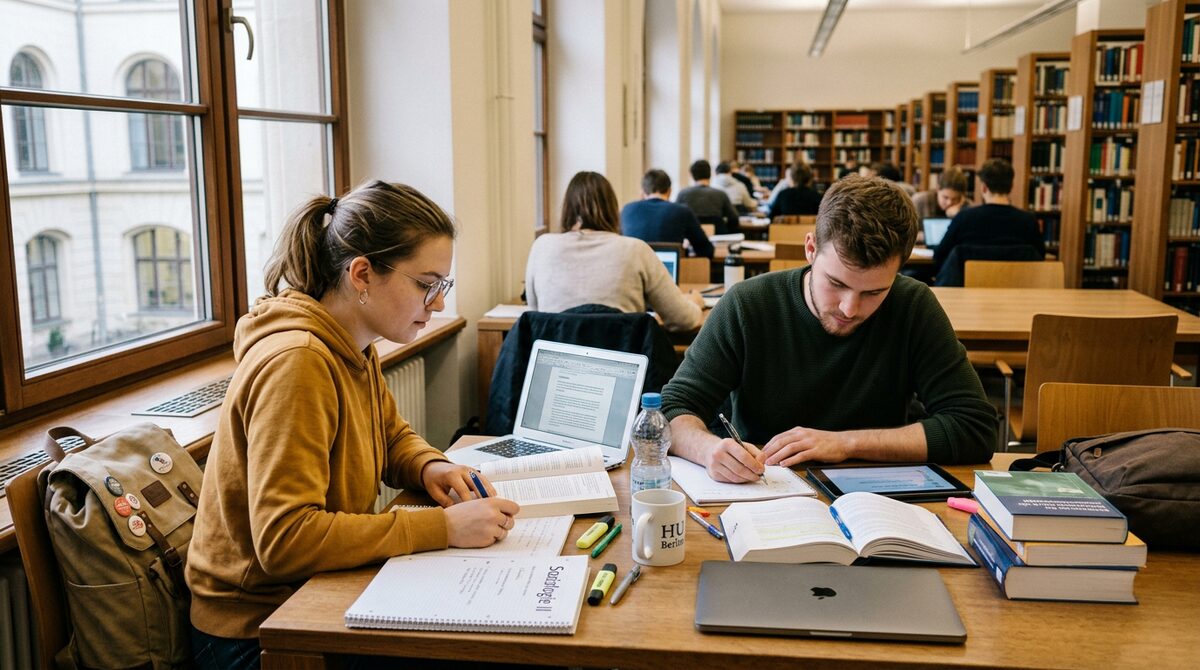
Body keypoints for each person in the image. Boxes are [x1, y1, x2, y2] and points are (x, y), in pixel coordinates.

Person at [186, 180, 520, 669]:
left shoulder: (352, 344)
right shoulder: (298, 361)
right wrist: (440, 527)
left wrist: (430, 467)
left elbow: (389, 434)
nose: (440, 303)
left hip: (309, 593)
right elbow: (285, 539)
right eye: (427, 284)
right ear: (362, 274)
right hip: (255, 631)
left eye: (442, 286)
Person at [660, 175, 997, 483]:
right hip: (764, 492)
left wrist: (845, 443)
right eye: (836, 283)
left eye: (874, 292)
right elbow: (672, 408)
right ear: (810, 249)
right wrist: (707, 449)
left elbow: (975, 428)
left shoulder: (913, 304)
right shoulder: (748, 303)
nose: (850, 308)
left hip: (880, 500)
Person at [526, 171, 704, 332]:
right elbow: (683, 320)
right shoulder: (635, 250)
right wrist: (695, 303)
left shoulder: (542, 247)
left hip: (556, 361)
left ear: (566, 208)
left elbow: (535, 314)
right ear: (612, 208)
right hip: (622, 362)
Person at [932, 158, 1045, 278]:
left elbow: (939, 255)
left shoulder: (964, 217)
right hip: (1017, 290)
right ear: (1011, 187)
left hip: (967, 291)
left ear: (984, 188)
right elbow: (1039, 260)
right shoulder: (1029, 221)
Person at [621, 169, 715, 258]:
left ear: (643, 192)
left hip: (633, 271)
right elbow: (706, 250)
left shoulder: (627, 210)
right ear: (669, 191)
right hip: (669, 271)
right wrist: (684, 250)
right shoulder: (682, 211)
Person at [675, 159, 740, 235]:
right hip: (718, 236)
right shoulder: (720, 194)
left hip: (692, 237)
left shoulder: (683, 194)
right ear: (710, 174)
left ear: (692, 175)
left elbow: (676, 217)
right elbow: (734, 217)